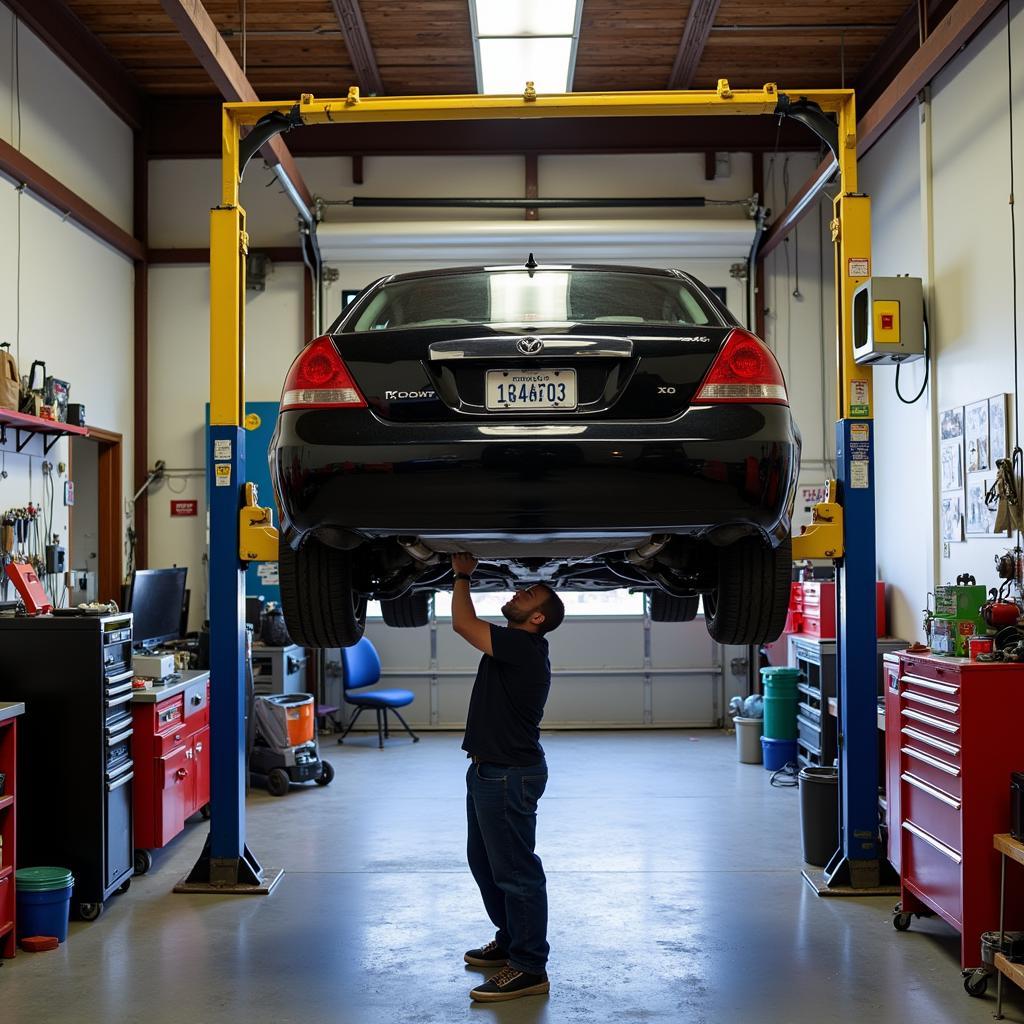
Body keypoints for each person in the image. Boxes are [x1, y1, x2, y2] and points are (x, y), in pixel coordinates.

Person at [450, 552, 565, 1003]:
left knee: (517, 872)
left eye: (528, 594)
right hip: (488, 771)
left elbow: (463, 623)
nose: (518, 592)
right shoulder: (519, 646)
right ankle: (511, 939)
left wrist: (462, 575)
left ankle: (529, 967)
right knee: (486, 864)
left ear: (536, 617)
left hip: (507, 776)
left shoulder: (523, 647)